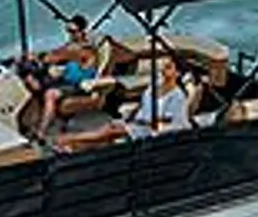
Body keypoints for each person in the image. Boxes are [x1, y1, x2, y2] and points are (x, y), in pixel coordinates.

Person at [55, 57, 189, 152]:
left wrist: (142, 122)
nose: (164, 68)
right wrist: (129, 118)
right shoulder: (154, 86)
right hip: (137, 123)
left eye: (169, 67)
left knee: (110, 132)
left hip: (152, 130)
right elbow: (142, 105)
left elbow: (169, 121)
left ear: (177, 74)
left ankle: (68, 139)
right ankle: (73, 148)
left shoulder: (177, 96)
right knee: (110, 130)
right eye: (165, 65)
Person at [19, 15, 101, 139]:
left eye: (73, 31)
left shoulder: (83, 48)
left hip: (80, 85)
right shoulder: (72, 45)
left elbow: (55, 56)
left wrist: (37, 58)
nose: (70, 34)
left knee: (49, 93)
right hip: (66, 81)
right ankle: (30, 122)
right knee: (34, 85)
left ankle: (41, 132)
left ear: (82, 31)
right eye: (68, 31)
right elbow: (58, 52)